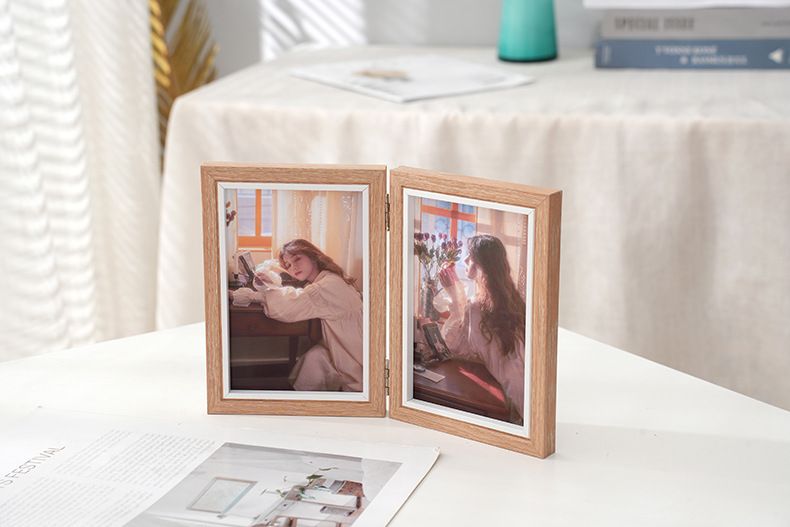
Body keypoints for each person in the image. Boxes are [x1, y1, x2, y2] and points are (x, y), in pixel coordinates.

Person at [231, 239, 363, 391]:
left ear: (313, 257)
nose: (293, 267)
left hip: (354, 353)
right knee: (314, 358)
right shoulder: (327, 279)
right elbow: (298, 296)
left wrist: (247, 295)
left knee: (315, 360)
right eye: (288, 265)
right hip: (350, 345)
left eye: (297, 259)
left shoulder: (327, 286)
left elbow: (288, 307)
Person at [437, 234, 526, 423]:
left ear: (482, 265)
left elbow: (454, 347)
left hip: (514, 397)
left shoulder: (478, 307)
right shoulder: (513, 300)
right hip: (524, 385)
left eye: (470, 256)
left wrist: (455, 293)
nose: (465, 260)